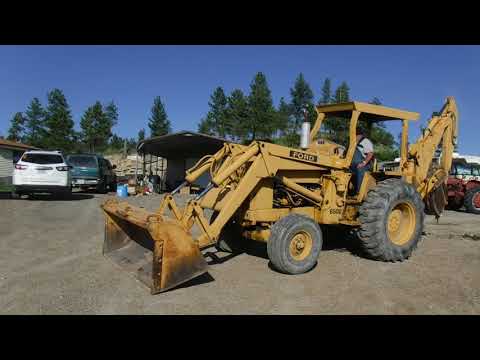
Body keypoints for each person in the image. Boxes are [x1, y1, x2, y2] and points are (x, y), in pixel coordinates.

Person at [350, 128, 374, 194]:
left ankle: (359, 191)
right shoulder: (352, 142)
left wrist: (364, 163)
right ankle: (349, 190)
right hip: (352, 163)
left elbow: (370, 154)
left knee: (360, 168)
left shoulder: (366, 142)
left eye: (356, 135)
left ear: (360, 135)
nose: (355, 136)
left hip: (366, 164)